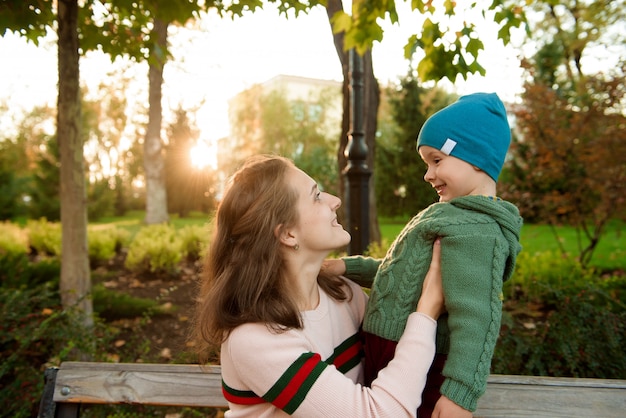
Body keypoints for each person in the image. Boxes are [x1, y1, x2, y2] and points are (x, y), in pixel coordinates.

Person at [192, 154, 446, 417]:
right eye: (316, 196)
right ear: (287, 234)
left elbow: (393, 358)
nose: (335, 201)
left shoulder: (343, 294)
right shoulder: (256, 338)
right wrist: (427, 309)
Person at [326, 93, 523, 418]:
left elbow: (476, 317)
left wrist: (460, 394)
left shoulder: (476, 231)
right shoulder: (451, 215)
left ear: (475, 158)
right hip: (390, 355)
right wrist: (347, 266)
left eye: (436, 160)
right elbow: (404, 275)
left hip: (421, 364)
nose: (428, 175)